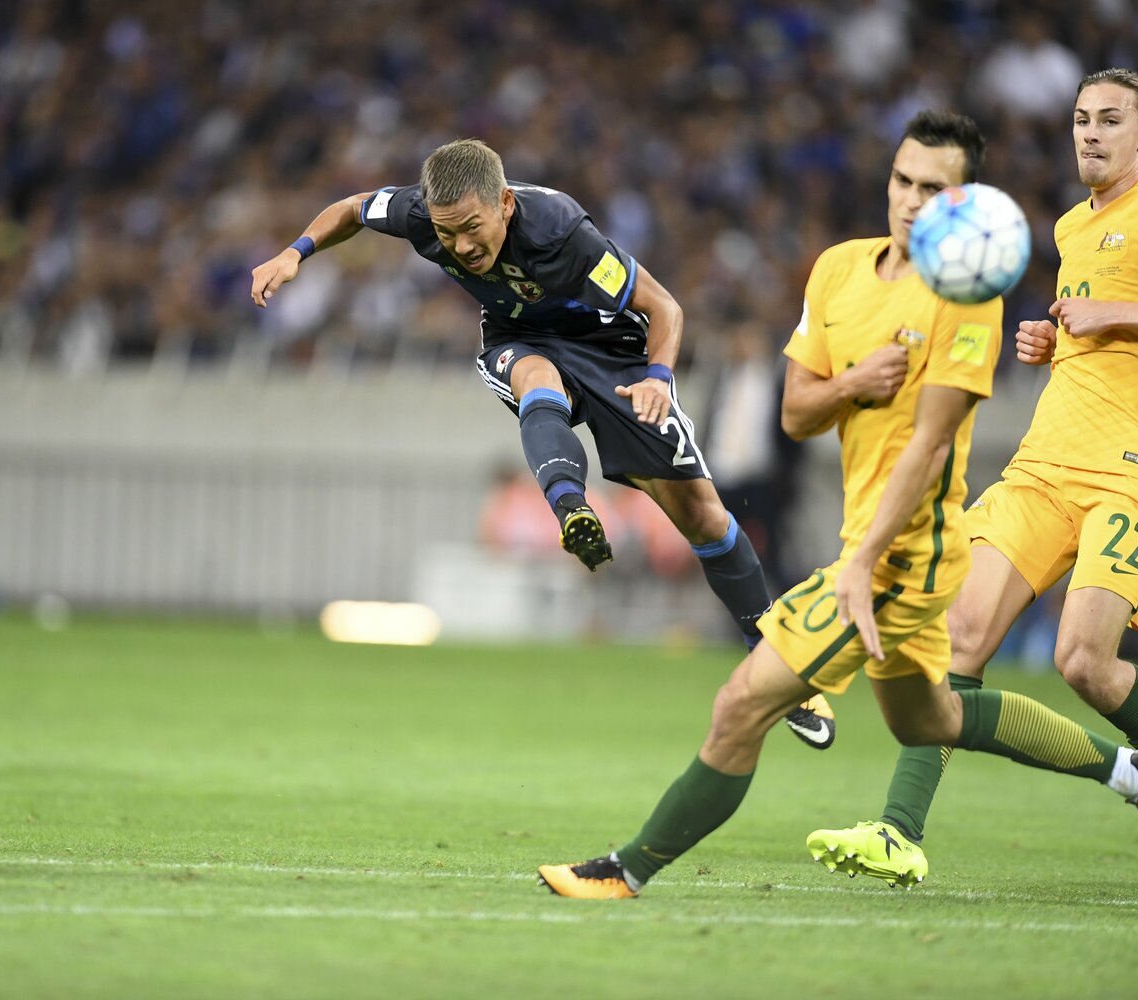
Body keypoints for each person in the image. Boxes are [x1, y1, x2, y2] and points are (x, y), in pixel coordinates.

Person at [536, 110, 1138, 900]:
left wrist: (857, 565)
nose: (912, 201)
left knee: (742, 703)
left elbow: (930, 447)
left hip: (904, 556)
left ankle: (626, 872)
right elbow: (797, 412)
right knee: (936, 720)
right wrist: (855, 383)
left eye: (935, 189)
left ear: (964, 201)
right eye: (903, 181)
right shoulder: (837, 271)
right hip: (867, 543)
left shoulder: (966, 301)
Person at [251, 139, 834, 750]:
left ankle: (776, 666)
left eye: (473, 228)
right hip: (518, 338)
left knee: (706, 519)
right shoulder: (423, 214)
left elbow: (664, 307)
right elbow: (352, 207)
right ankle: (570, 507)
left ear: (504, 203)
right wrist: (296, 254)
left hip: (614, 356)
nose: (463, 248)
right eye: (448, 237)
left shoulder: (562, 231)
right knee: (535, 380)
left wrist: (659, 378)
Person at [809, 70, 1138, 901]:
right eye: (1079, 120)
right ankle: (898, 831)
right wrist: (1056, 340)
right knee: (955, 638)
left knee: (1082, 661)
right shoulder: (1071, 227)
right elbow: (1100, 332)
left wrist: (1114, 317)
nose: (1090, 134)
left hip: (1129, 476)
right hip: (1042, 468)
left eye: (1110, 121)